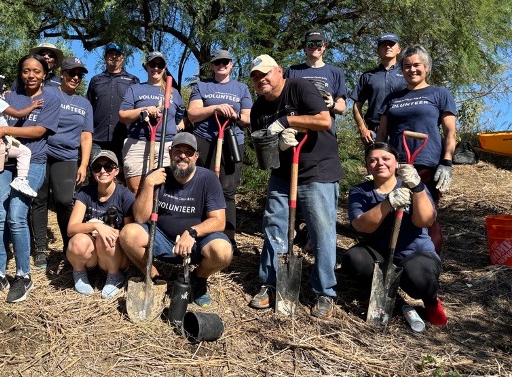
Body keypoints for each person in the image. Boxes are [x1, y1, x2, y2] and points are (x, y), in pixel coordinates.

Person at [248, 54, 344, 318]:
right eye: (255, 77)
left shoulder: (300, 87)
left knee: (321, 231)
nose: (261, 79)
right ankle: (270, 283)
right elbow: (265, 156)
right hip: (283, 173)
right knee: (273, 226)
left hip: (318, 169)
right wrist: (277, 145)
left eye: (265, 73)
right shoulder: (258, 109)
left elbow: (324, 120)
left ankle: (324, 291)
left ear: (279, 71)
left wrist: (287, 121)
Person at [0, 55, 60, 303]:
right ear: (21, 73)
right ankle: (0, 274)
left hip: (33, 162)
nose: (31, 75)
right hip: (4, 161)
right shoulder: (7, 97)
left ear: (44, 73)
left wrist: (4, 130)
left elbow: (38, 131)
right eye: (26, 71)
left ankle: (23, 275)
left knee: (16, 215)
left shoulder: (51, 99)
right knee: (0, 216)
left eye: (36, 71)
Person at [119, 132, 233, 307]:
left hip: (196, 243)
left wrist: (193, 232)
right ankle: (154, 276)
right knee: (128, 233)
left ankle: (198, 278)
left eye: (188, 152)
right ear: (170, 152)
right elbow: (140, 217)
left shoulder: (208, 179)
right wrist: (149, 184)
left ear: (196, 156)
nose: (182, 155)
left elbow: (219, 222)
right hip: (162, 239)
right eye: (178, 150)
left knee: (223, 251)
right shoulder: (157, 176)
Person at [343, 142, 448, 326]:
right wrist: (388, 203)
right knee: (354, 259)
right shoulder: (360, 191)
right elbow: (361, 225)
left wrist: (417, 187)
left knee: (418, 277)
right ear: (367, 165)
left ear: (396, 163)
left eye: (386, 159)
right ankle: (382, 295)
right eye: (373, 160)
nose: (380, 163)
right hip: (379, 253)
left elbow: (425, 221)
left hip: (416, 253)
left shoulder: (414, 186)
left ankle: (431, 302)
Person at [376, 45, 456, 253]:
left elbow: (450, 133)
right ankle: (397, 257)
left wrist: (446, 163)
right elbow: (382, 134)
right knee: (395, 211)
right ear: (401, 70)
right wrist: (377, 160)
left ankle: (430, 261)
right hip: (395, 164)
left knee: (426, 215)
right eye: (407, 66)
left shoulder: (439, 94)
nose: (412, 70)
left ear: (427, 67)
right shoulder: (392, 98)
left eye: (417, 65)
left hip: (426, 164)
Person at [30, 57, 93, 268]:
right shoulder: (48, 93)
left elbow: (86, 136)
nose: (75, 78)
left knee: (65, 201)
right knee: (39, 199)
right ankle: (40, 248)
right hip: (42, 152)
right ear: (62, 74)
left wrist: (84, 164)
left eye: (79, 75)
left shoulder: (84, 104)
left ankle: (69, 244)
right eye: (71, 73)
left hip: (67, 157)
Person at [186, 49, 252, 249]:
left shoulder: (241, 89)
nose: (221, 65)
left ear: (231, 64)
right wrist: (215, 108)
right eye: (217, 63)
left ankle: (228, 237)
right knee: (200, 186)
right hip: (204, 139)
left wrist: (234, 115)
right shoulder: (202, 86)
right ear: (212, 66)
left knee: (227, 190)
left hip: (231, 141)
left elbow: (248, 119)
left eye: (225, 62)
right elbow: (193, 113)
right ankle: (198, 233)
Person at [66, 150, 134, 299]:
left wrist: (109, 232)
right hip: (91, 255)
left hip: (115, 254)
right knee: (77, 241)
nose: (103, 170)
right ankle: (79, 273)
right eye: (97, 167)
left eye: (108, 166)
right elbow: (71, 228)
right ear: (93, 172)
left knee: (106, 239)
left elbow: (129, 234)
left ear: (116, 171)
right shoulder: (85, 193)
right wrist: (97, 227)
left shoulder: (125, 195)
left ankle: (114, 276)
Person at [118, 51, 185, 194]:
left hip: (166, 146)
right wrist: (144, 109)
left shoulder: (173, 92)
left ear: (164, 68)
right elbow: (123, 115)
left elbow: (180, 116)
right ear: (146, 66)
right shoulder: (135, 89)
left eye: (160, 65)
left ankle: (159, 217)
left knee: (165, 191)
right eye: (152, 64)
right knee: (137, 190)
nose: (156, 68)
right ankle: (140, 216)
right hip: (138, 144)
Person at [86, 43, 139, 162]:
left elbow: (137, 109)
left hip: (124, 138)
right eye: (111, 54)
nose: (114, 57)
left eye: (117, 54)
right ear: (105, 57)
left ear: (122, 58)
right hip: (97, 138)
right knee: (97, 174)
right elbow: (88, 108)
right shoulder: (96, 80)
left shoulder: (133, 80)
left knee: (122, 176)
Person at [351, 33, 407, 144]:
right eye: (383, 45)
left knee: (402, 161)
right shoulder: (368, 76)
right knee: (376, 161)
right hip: (374, 131)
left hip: (401, 129)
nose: (387, 47)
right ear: (378, 51)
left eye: (391, 44)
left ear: (399, 50)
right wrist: (363, 129)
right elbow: (357, 105)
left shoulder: (407, 73)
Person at [285, 28, 347, 126]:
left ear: (324, 47)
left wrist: (332, 104)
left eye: (318, 43)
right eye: (310, 44)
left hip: (325, 130)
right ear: (304, 47)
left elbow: (342, 108)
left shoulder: (336, 72)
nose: (314, 47)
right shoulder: (292, 71)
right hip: (296, 129)